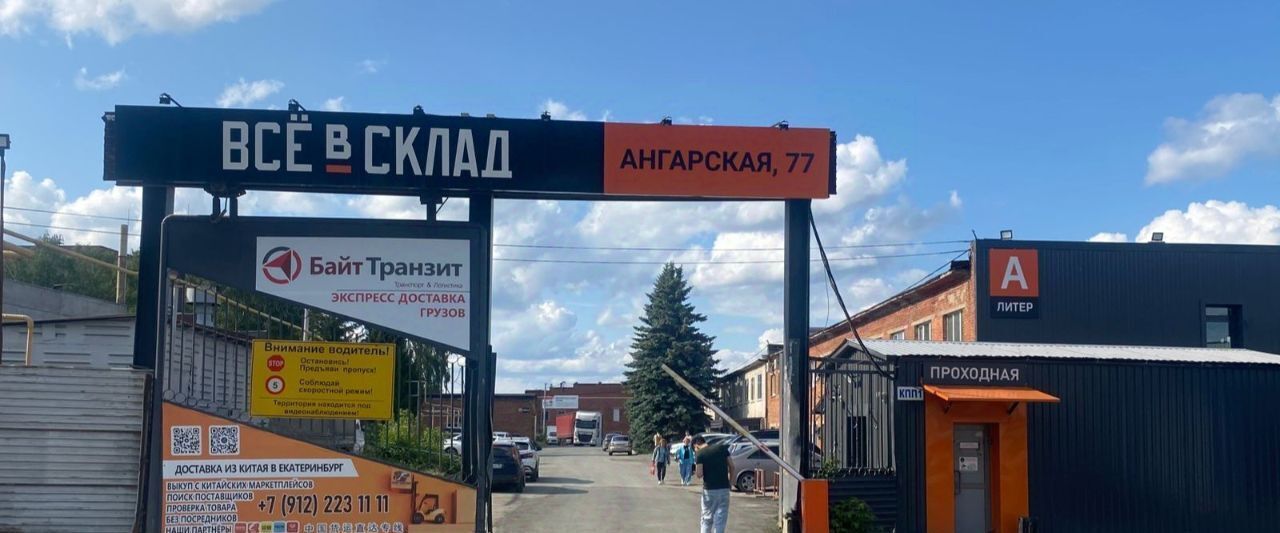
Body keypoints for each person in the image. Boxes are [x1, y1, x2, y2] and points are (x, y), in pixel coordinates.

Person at [694, 436, 731, 533]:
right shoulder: (722, 448)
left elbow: (699, 474)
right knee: (720, 520)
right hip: (724, 488)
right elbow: (732, 466)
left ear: (696, 446)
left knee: (707, 519)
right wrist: (730, 482)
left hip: (709, 490)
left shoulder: (700, 454)